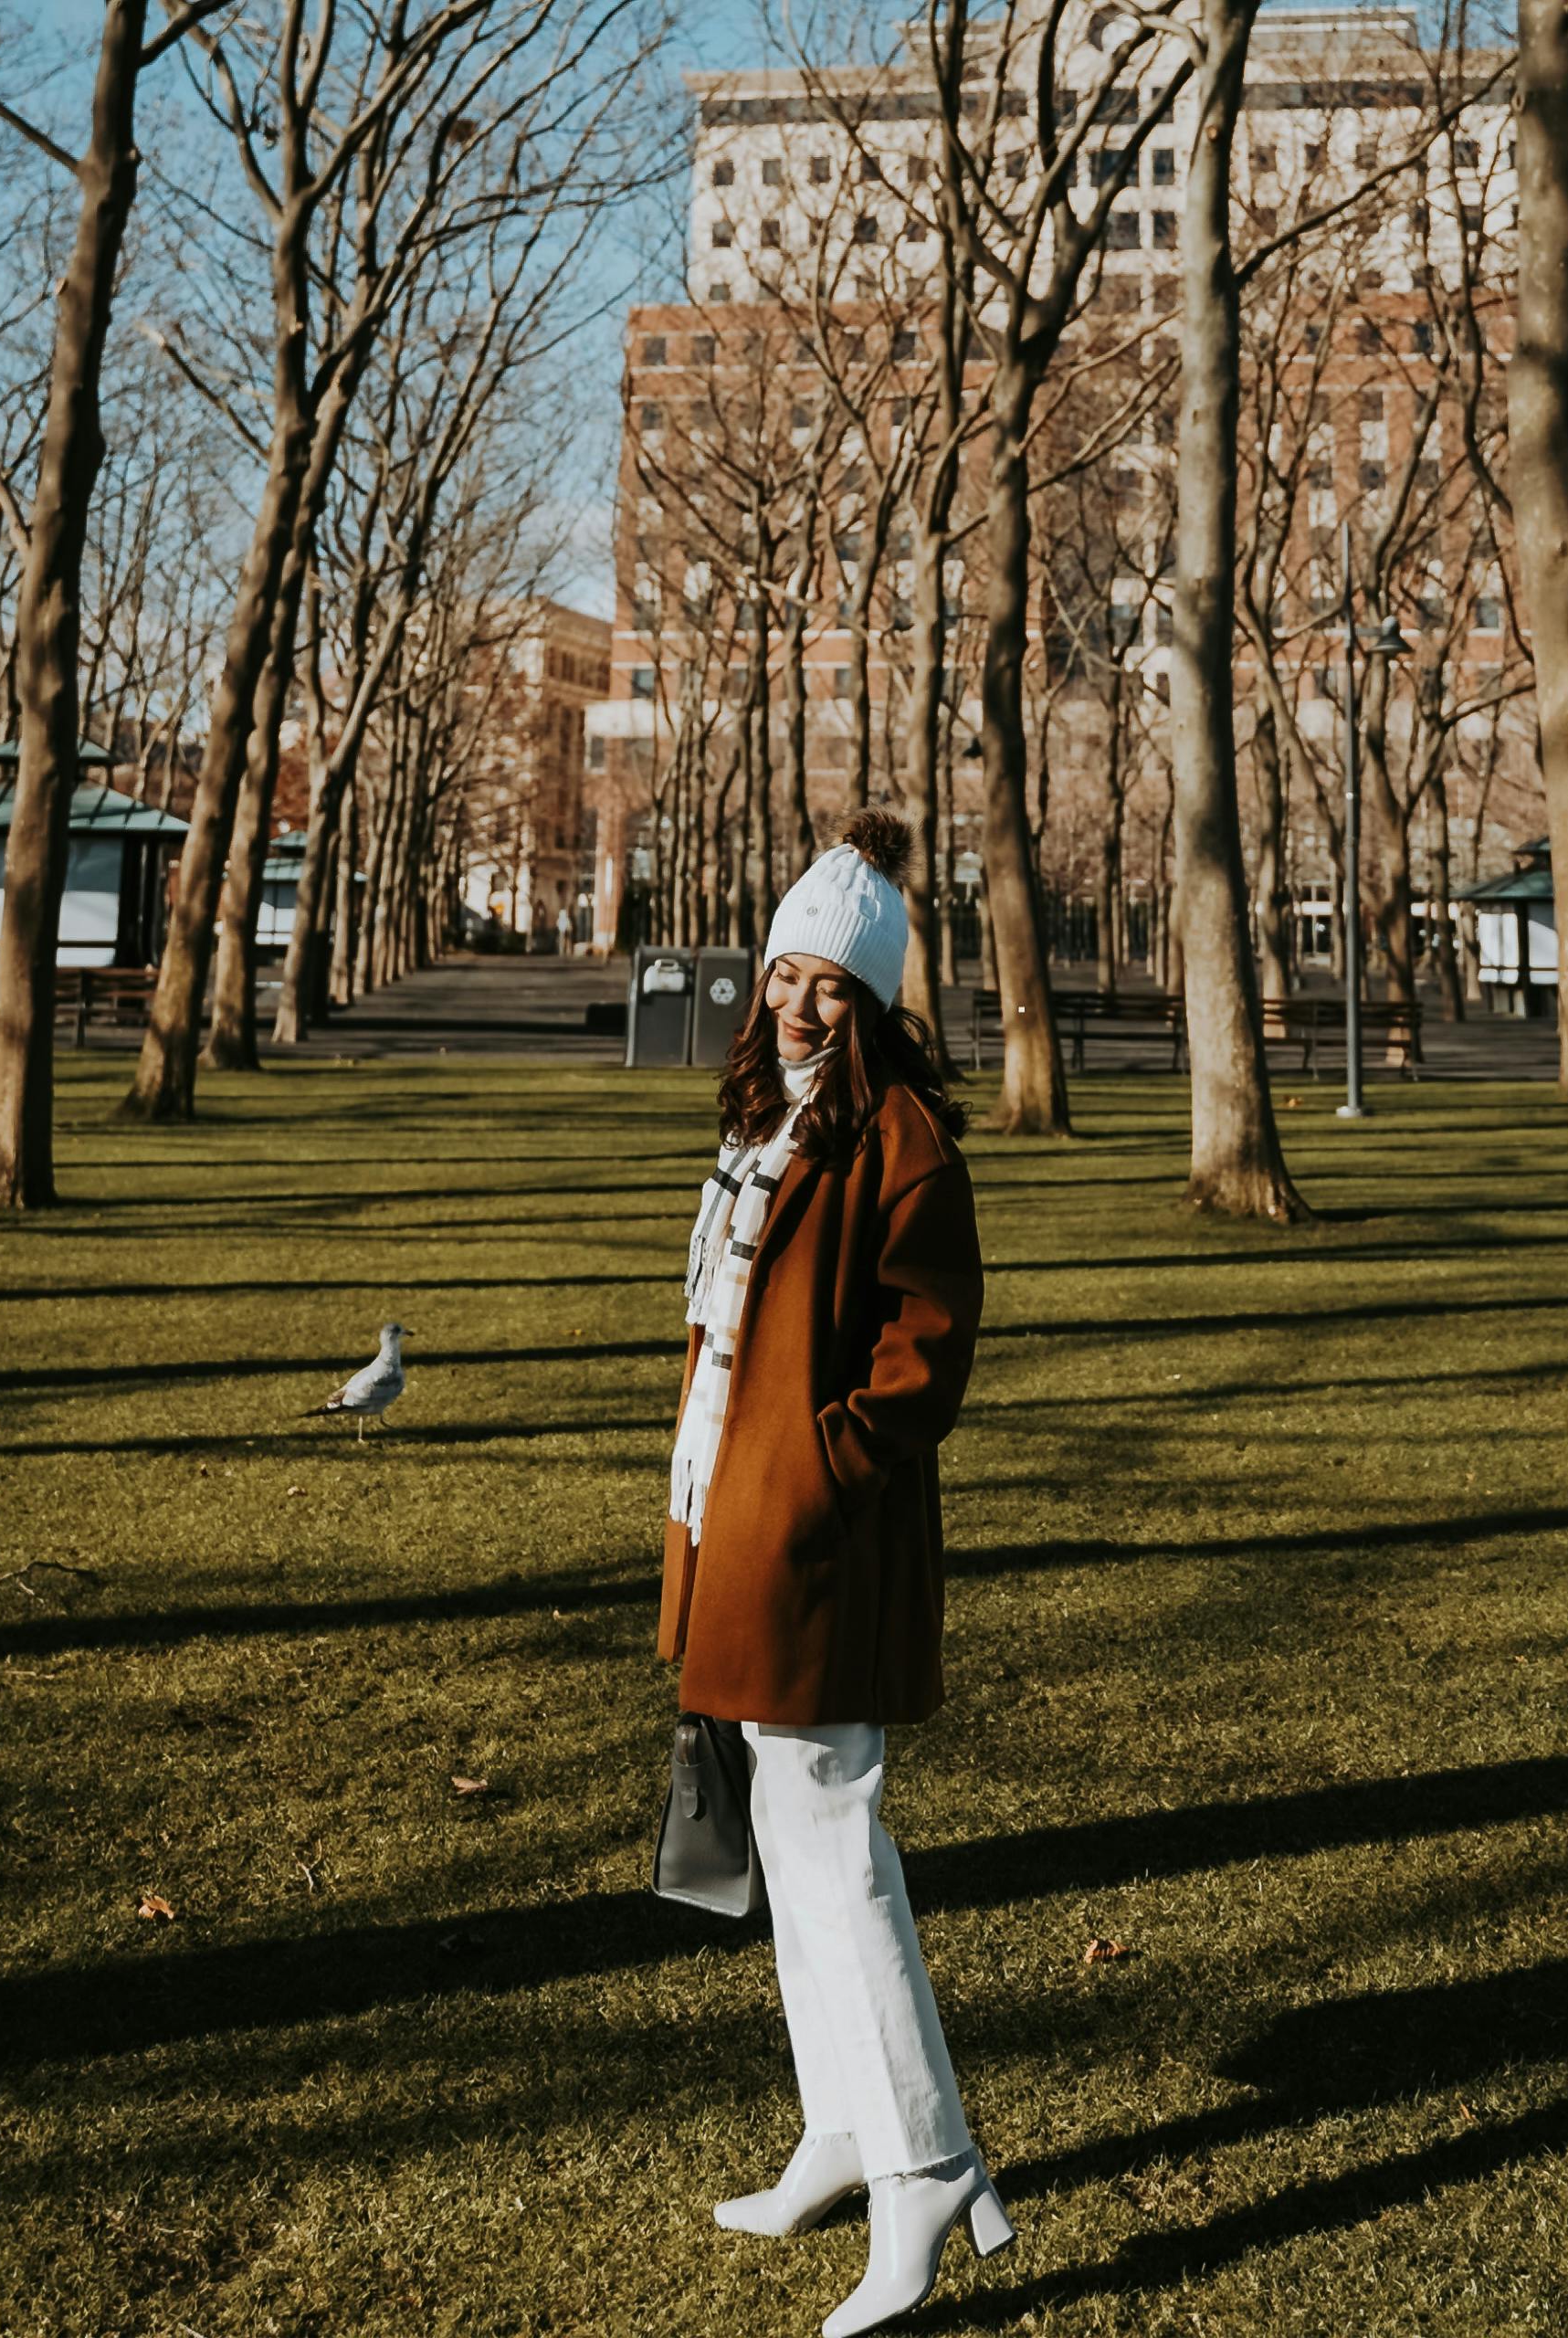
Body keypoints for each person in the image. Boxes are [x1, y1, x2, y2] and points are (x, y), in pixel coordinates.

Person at [659, 810, 1005, 2336]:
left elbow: (921, 1358)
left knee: (835, 1842)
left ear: (873, 1004)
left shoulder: (897, 1140)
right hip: (726, 1523)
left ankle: (925, 2160)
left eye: (831, 986)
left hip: (815, 1539)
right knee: (792, 1858)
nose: (800, 1003)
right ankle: (844, 2134)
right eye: (785, 973)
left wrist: (813, 1478)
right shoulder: (764, 1122)